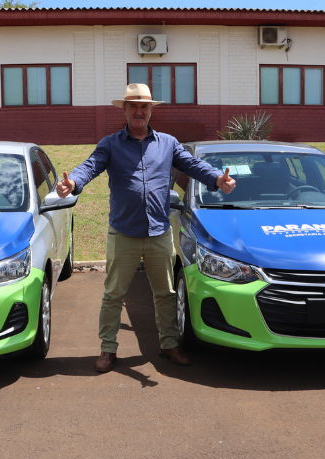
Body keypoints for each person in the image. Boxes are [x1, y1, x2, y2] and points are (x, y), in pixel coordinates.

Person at [56, 83, 236, 372]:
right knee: (113, 293)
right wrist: (73, 182)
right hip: (123, 233)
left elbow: (191, 165)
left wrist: (217, 178)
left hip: (158, 232)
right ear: (125, 110)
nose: (139, 111)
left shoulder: (168, 143)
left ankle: (169, 344)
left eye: (144, 106)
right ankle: (108, 348)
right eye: (133, 106)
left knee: (165, 292)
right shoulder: (110, 144)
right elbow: (90, 166)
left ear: (152, 110)